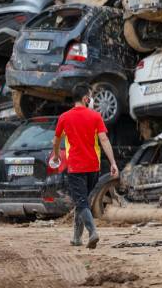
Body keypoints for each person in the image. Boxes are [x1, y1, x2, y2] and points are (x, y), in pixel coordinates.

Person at [51, 84, 119, 249]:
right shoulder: (95, 116)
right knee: (82, 202)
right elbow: (104, 140)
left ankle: (93, 232)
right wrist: (113, 162)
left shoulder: (64, 117)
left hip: (75, 167)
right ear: (85, 98)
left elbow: (56, 140)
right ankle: (76, 237)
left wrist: (55, 155)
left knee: (81, 203)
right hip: (93, 167)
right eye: (90, 96)